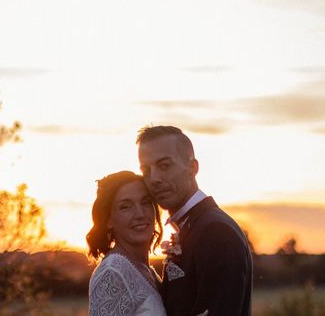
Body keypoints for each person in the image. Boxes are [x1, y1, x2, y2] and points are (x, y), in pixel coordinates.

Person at [137, 125, 253, 316]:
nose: (154, 178)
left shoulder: (216, 232)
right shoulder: (194, 226)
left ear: (192, 168)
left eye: (164, 166)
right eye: (146, 170)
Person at [86, 171, 166, 316]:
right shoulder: (113, 272)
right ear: (108, 220)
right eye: (125, 207)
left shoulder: (147, 270)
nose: (140, 213)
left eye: (146, 202)